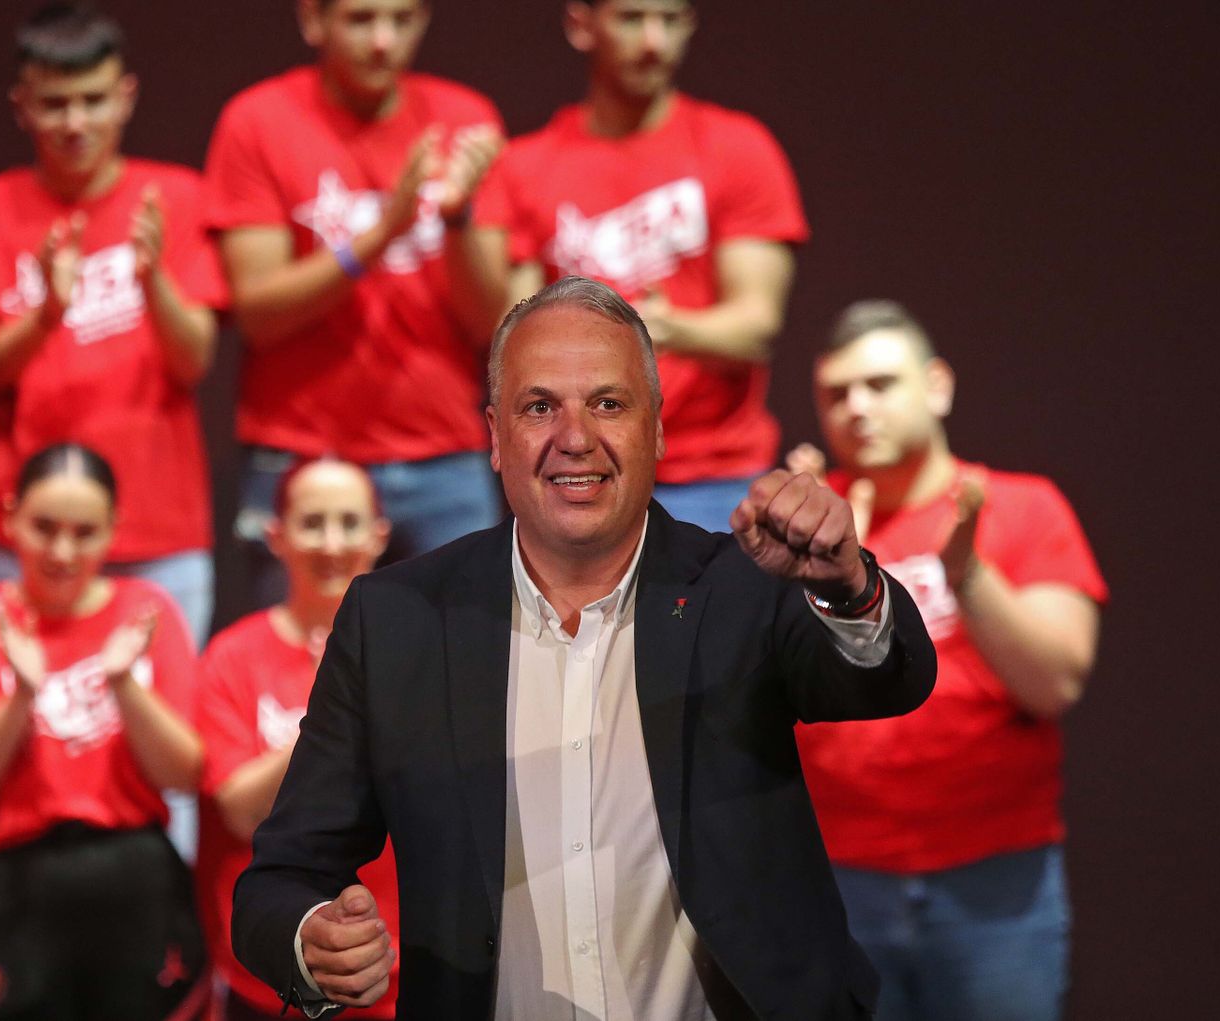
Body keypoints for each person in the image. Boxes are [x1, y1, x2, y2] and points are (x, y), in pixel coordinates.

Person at [231, 277, 937, 1019]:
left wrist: (848, 584)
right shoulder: (396, 620)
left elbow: (890, 678)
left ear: (656, 428)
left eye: (608, 403)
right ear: (496, 437)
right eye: (540, 406)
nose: (575, 436)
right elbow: (280, 879)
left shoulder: (744, 584)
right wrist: (312, 940)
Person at [789, 300, 1107, 1021]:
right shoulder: (807, 525)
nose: (857, 408)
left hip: (995, 883)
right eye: (836, 394)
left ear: (937, 386)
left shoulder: (1023, 507)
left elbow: (1054, 682)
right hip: (837, 878)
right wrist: (825, 580)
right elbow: (766, 700)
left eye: (880, 384)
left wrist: (967, 575)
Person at [203, 0, 509, 607]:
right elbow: (258, 314)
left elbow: (490, 325)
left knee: (464, 680)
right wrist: (378, 236)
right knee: (301, 680)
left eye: (402, 20)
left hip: (443, 456)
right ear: (313, 20)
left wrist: (457, 219)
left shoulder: (465, 119)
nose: (382, 41)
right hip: (302, 453)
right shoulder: (259, 121)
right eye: (361, 19)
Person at [0, 2, 225, 646]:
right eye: (56, 103)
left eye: (94, 100)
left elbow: (195, 361)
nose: (76, 122)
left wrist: (152, 281)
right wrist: (45, 316)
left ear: (126, 97)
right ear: (22, 105)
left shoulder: (174, 197)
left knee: (164, 733)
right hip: (26, 534)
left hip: (161, 533)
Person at [492, 0, 808, 533]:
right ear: (581, 24)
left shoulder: (738, 149)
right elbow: (513, 333)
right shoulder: (526, 166)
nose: (654, 42)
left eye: (670, 20)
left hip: (714, 474)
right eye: (633, 18)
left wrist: (661, 327)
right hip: (576, 470)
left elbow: (757, 326)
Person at [0, 442, 208, 1020]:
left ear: (114, 530)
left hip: (130, 878)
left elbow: (185, 775)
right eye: (44, 527)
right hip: (6, 887)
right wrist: (20, 698)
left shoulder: (147, 609)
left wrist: (124, 685)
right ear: (9, 517)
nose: (62, 551)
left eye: (85, 532)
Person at [196, 457, 399, 1020]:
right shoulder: (233, 656)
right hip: (274, 974)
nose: (331, 542)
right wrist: (328, 711)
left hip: (401, 968)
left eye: (349, 522)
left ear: (379, 535)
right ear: (276, 536)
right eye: (312, 523)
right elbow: (238, 810)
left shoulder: (419, 650)